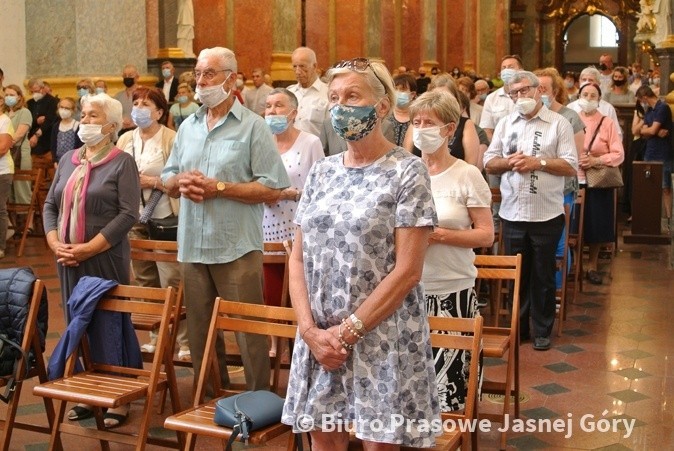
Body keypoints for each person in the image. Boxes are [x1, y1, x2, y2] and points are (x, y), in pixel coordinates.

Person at [281, 57, 440, 448]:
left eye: (352, 96)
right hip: (319, 335)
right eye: (334, 97)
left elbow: (407, 271)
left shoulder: (407, 171)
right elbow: (298, 258)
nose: (340, 107)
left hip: (379, 334)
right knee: (324, 441)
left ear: (382, 106)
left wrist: (347, 332)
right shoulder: (323, 172)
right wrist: (310, 332)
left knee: (379, 443)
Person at [161, 47, 290, 392]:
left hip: (235, 246)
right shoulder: (187, 126)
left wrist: (219, 187)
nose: (201, 82)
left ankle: (259, 399)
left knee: (248, 331)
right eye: (198, 75)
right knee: (201, 331)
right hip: (192, 243)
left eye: (209, 74)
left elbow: (272, 187)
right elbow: (168, 178)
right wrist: (178, 183)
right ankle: (209, 397)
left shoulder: (254, 127)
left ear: (231, 79)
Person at [42, 93, 140, 427]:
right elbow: (50, 206)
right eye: (83, 115)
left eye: (93, 116)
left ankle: (119, 397)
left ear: (111, 125)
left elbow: (129, 213)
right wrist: (55, 242)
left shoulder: (121, 162)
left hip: (104, 256)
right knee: (77, 320)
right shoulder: (68, 158)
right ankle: (88, 390)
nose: (84, 121)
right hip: (68, 257)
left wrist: (89, 247)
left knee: (108, 322)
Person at [409, 89, 493, 411]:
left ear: (449, 129)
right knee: (410, 384)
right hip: (407, 289)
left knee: (448, 388)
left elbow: (486, 235)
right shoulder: (403, 171)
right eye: (416, 122)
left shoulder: (466, 174)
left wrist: (438, 235)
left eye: (428, 122)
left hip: (450, 291)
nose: (420, 129)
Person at [483, 70, 578, 351]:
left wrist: (539, 163)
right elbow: (489, 161)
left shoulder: (558, 123)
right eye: (514, 93)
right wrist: (509, 162)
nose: (520, 97)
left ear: (538, 91)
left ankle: (542, 330)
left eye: (525, 90)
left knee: (543, 275)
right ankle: (519, 328)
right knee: (517, 276)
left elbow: (571, 165)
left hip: (546, 213)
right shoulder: (505, 123)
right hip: (512, 212)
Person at [116, 86, 189, 359]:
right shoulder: (125, 139)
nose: (139, 108)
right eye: (136, 103)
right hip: (133, 217)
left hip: (165, 216)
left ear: (159, 111)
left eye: (146, 104)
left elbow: (179, 177)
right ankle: (157, 336)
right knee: (145, 278)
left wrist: (152, 181)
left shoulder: (171, 138)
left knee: (172, 278)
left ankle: (184, 341)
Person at [262, 87, 323, 356]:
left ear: (294, 113)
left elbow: (320, 189)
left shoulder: (310, 143)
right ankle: (274, 343)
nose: (272, 111)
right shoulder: (260, 142)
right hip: (264, 226)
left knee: (299, 291)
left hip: (299, 228)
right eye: (268, 106)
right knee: (271, 290)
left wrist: (288, 194)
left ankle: (302, 342)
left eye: (278, 106)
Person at [575, 82, 624, 285]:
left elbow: (618, 153)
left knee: (595, 225)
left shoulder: (606, 122)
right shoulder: (571, 120)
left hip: (598, 180)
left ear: (599, 99)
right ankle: (575, 264)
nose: (588, 98)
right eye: (584, 94)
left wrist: (596, 160)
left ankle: (592, 265)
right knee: (574, 224)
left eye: (592, 95)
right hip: (574, 178)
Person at [636, 85, 673, 225]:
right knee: (649, 186)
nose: (641, 102)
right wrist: (655, 131)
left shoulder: (662, 107)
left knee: (665, 187)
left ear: (644, 97)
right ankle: (650, 219)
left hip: (663, 152)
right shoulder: (649, 110)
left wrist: (651, 131)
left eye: (640, 99)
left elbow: (649, 131)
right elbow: (643, 131)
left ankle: (668, 220)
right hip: (650, 151)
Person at [568, 66, 622, 139]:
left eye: (590, 80)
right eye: (584, 79)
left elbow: (617, 135)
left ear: (598, 83)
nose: (586, 82)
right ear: (579, 81)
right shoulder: (571, 107)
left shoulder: (608, 108)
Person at [3, 85, 33, 212]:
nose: (8, 97)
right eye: (6, 95)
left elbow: (20, 134)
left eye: (12, 95)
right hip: (5, 156)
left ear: (19, 96)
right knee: (7, 191)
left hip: (20, 153)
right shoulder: (3, 113)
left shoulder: (24, 112)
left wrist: (5, 143)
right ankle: (13, 224)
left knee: (21, 188)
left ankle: (28, 221)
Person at [287, 47, 329, 138]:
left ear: (314, 66)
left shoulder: (328, 93)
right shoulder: (288, 93)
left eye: (302, 66)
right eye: (295, 66)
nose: (298, 71)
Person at [480, 55, 523, 141]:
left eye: (511, 67)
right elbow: (487, 129)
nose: (506, 70)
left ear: (521, 71)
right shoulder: (491, 98)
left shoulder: (529, 94)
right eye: (504, 68)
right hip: (499, 148)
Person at [26, 78, 58, 169]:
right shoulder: (30, 103)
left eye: (36, 91)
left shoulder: (53, 101)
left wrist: (36, 135)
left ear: (43, 88)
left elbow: (50, 120)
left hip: (48, 141)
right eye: (32, 92)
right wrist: (36, 121)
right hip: (33, 144)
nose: (34, 94)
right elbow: (28, 121)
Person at [0, 91, 14, 259]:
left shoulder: (4, 120)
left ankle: (0, 246)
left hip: (2, 171)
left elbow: (3, 148)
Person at [50, 97, 83, 166]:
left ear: (73, 110)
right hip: (59, 162)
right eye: (61, 107)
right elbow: (53, 145)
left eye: (67, 108)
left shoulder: (77, 126)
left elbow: (80, 147)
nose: (63, 110)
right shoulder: (56, 126)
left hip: (73, 162)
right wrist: (54, 160)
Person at [388, 73, 417, 148]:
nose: (397, 93)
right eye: (395, 89)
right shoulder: (385, 115)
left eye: (402, 90)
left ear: (412, 94)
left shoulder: (417, 117)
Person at [114, 64, 140, 135]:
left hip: (139, 131)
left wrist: (133, 123)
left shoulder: (144, 95)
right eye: (125, 76)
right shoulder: (118, 96)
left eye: (130, 75)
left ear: (137, 77)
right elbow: (114, 114)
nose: (127, 78)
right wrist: (121, 121)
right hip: (122, 132)